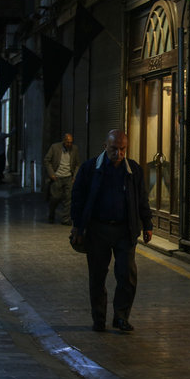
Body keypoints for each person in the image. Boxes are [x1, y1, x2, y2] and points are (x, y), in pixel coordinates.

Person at [71, 129, 153, 332]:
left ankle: (121, 317)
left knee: (127, 274)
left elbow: (142, 198)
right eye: (114, 149)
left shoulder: (132, 170)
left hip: (125, 230)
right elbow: (78, 199)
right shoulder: (90, 169)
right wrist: (78, 227)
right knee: (98, 276)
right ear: (105, 146)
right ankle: (99, 319)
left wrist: (147, 224)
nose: (119, 153)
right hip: (98, 229)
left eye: (123, 149)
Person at [43, 133, 80, 224]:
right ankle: (51, 214)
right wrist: (51, 173)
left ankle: (66, 219)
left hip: (68, 177)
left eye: (71, 142)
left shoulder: (74, 149)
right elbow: (47, 160)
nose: (69, 144)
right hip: (57, 176)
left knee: (69, 198)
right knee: (55, 197)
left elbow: (77, 164)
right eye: (67, 142)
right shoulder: (55, 147)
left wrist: (74, 177)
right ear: (63, 141)